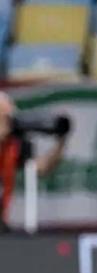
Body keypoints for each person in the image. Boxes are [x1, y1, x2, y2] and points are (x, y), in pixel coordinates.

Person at [0, 92, 69, 233]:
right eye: (4, 117)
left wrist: (61, 142)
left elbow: (41, 168)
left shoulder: (15, 144)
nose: (9, 122)